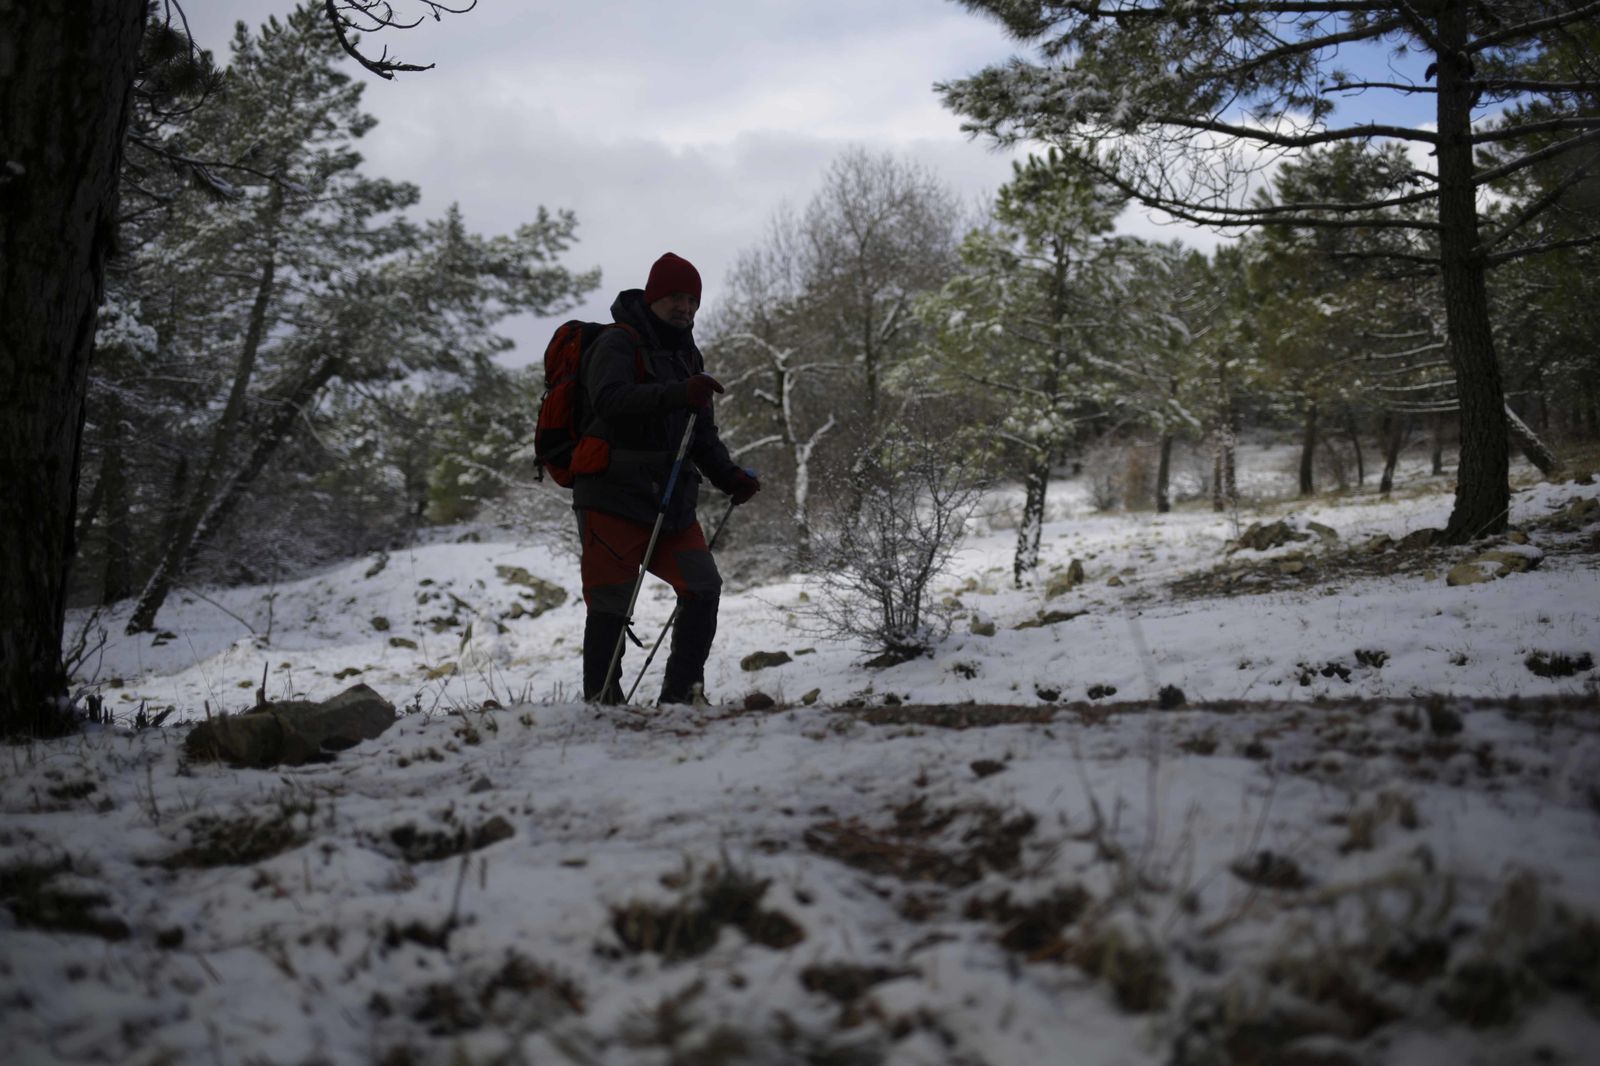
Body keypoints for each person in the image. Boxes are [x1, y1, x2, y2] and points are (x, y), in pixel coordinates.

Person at [574, 252, 760, 705]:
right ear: (655, 296)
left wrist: (729, 476)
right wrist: (680, 393)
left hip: (672, 500)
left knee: (703, 587)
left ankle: (682, 697)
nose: (685, 308)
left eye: (693, 300)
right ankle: (602, 702)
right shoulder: (618, 343)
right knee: (611, 603)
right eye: (676, 297)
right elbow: (610, 400)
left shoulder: (688, 356)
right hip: (612, 495)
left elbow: (700, 434)